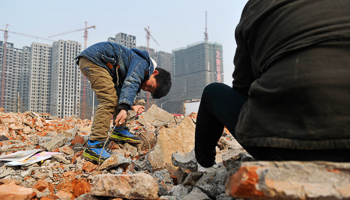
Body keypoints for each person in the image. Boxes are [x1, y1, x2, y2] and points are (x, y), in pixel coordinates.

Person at [194, 0, 350, 174]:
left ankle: (205, 166)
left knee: (212, 92)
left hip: (286, 149)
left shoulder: (257, 6)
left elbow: (242, 87)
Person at [76, 41, 171, 163]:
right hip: (95, 61)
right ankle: (94, 146)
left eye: (149, 90)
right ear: (154, 73)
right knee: (108, 100)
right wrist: (125, 108)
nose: (145, 89)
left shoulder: (134, 65)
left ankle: (119, 130)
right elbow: (131, 82)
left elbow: (122, 92)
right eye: (150, 86)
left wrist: (130, 106)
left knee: (114, 96)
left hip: (95, 61)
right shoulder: (142, 64)